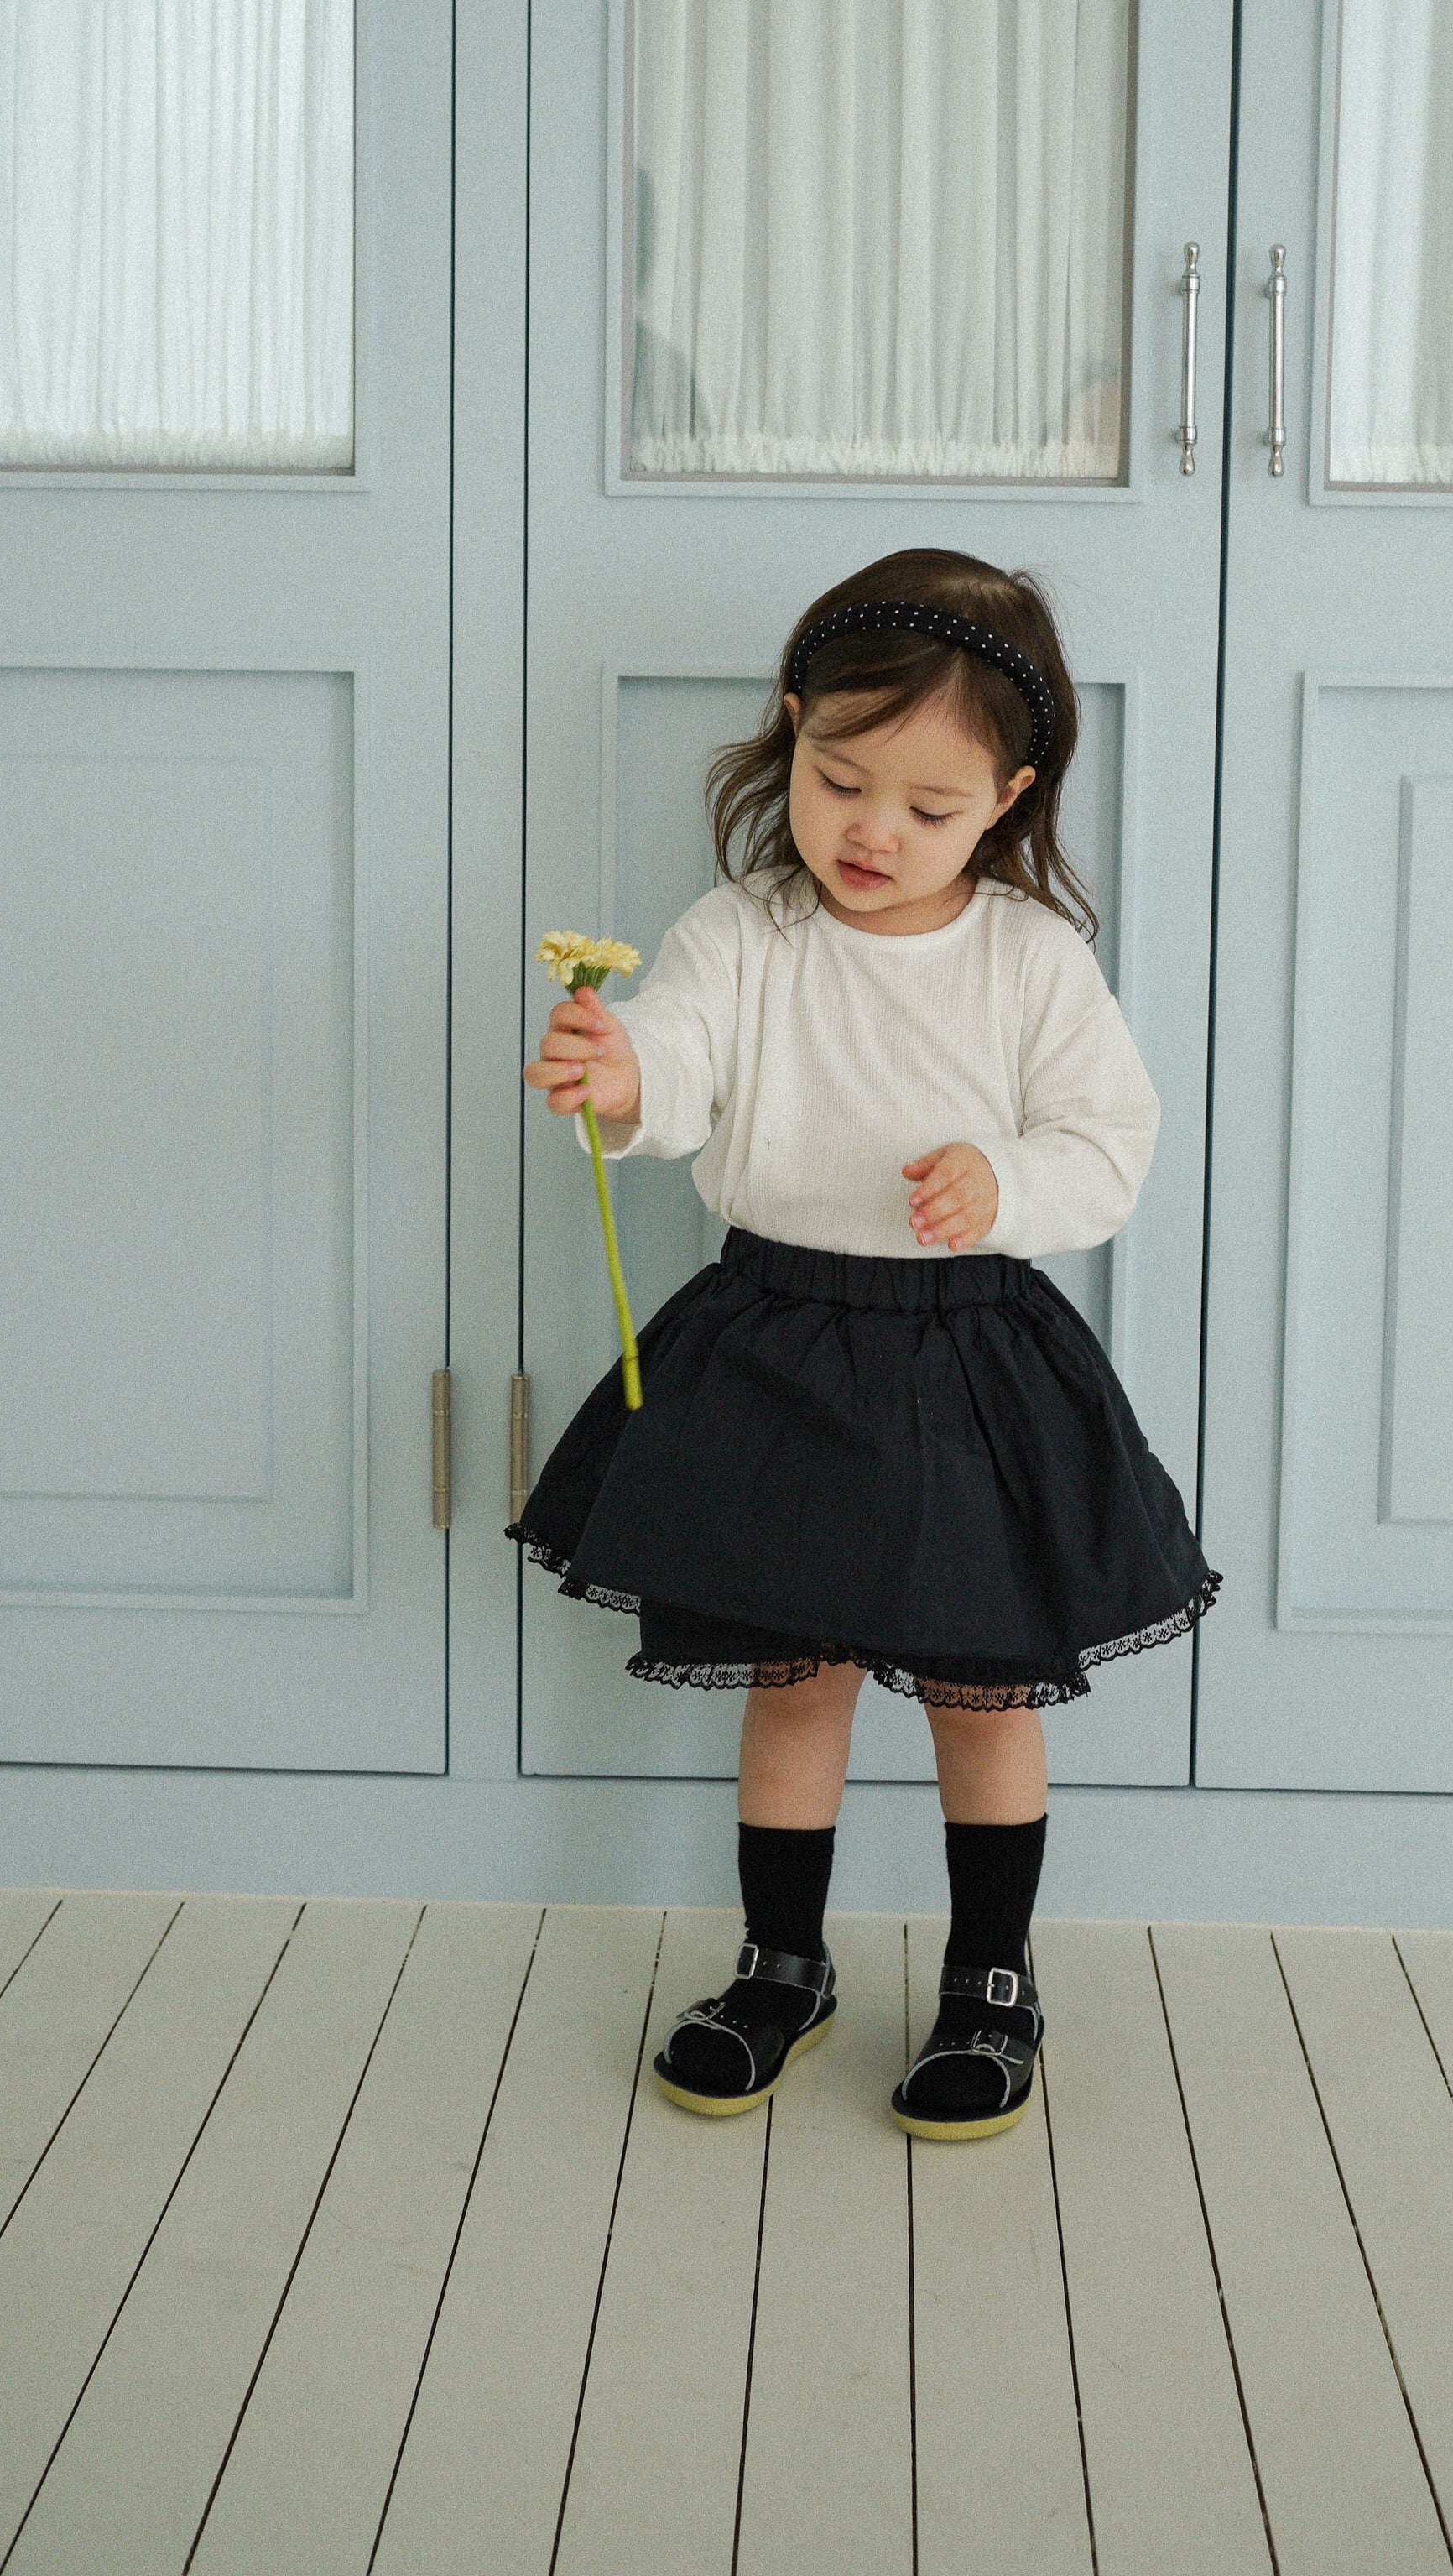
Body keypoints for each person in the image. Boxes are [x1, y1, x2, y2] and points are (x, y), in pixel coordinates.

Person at [508, 547, 1219, 2141]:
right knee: (796, 1680)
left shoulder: (1031, 958)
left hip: (971, 1363)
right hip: (773, 1342)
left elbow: (1109, 1142)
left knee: (984, 1692)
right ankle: (783, 1963)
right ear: (792, 730)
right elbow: (681, 1060)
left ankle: (992, 1981)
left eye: (928, 805)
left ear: (1008, 799)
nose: (870, 831)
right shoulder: (745, 930)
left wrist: (1005, 1182)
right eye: (839, 782)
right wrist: (622, 1076)